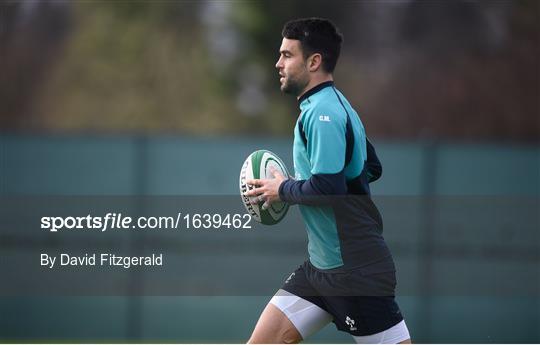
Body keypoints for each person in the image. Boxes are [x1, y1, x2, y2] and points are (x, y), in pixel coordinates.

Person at [245, 18, 411, 344]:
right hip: (320, 270)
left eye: (287, 55)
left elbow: (329, 188)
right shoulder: (331, 106)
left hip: (355, 273)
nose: (278, 63)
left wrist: (284, 189)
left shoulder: (325, 113)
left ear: (314, 61)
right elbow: (369, 168)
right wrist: (305, 183)